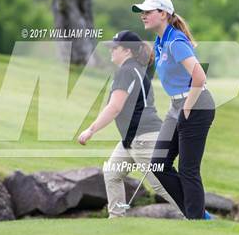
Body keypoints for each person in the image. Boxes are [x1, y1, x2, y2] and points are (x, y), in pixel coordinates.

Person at [77, 30, 184, 219]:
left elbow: (114, 107)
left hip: (143, 139)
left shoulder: (126, 71)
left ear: (127, 51)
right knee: (112, 173)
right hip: (133, 138)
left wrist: (91, 130)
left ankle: (196, 215)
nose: (111, 51)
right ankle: (116, 221)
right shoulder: (136, 69)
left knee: (161, 184)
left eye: (115, 48)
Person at [132, 0, 216, 220]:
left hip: (196, 106)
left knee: (189, 169)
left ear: (163, 14)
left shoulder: (175, 41)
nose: (143, 16)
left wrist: (187, 108)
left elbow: (199, 76)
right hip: (177, 106)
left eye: (148, 12)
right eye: (142, 12)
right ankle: (196, 213)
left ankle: (197, 219)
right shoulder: (160, 41)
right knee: (159, 164)